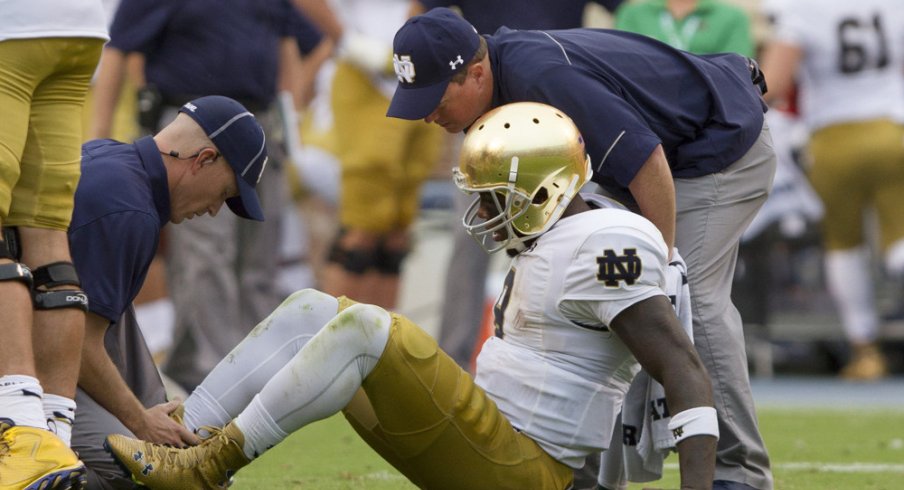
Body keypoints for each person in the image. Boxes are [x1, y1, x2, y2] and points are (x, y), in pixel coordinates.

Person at [104, 101, 718, 490]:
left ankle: (209, 469)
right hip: (490, 441)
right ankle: (184, 437)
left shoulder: (607, 243)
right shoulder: (561, 238)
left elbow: (682, 367)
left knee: (370, 328)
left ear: (542, 192)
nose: (480, 211)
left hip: (519, 468)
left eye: (492, 196)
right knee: (315, 308)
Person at [387, 8, 775, 489]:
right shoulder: (493, 90)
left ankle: (737, 475)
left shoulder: (540, 76)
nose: (427, 113)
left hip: (714, 147)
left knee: (687, 294)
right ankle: (589, 470)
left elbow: (646, 158)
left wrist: (661, 265)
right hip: (656, 160)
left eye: (433, 97)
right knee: (598, 294)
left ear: (478, 73)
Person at [92, 0, 323, 392]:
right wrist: (99, 136)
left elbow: (292, 42)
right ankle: (214, 375)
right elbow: (118, 50)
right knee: (206, 257)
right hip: (195, 133)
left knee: (259, 260)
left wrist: (291, 111)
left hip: (261, 122)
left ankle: (259, 369)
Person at [68, 95, 270, 489]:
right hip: (22, 353)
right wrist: (141, 422)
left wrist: (154, 420)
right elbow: (75, 341)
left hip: (36, 332)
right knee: (144, 476)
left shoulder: (115, 162)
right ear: (204, 159)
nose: (215, 210)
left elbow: (97, 320)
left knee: (167, 458)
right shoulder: (130, 211)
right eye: (226, 193)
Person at [759, 0, 904, 380]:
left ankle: (866, 351)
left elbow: (773, 83)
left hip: (833, 140)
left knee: (844, 246)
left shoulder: (804, 9)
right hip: (894, 130)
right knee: (897, 248)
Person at [0, 1, 107, 488]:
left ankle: (20, 431)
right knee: (45, 235)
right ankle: (56, 438)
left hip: (11, 31)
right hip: (79, 28)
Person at [290, 0, 445, 310]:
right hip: (365, 72)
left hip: (419, 71)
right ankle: (331, 336)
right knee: (363, 225)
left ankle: (382, 340)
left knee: (398, 228)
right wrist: (347, 39)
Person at [614, 0, 755, 57]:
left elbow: (735, 69)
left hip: (708, 107)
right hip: (644, 104)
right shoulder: (632, 13)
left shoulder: (732, 17)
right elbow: (622, 62)